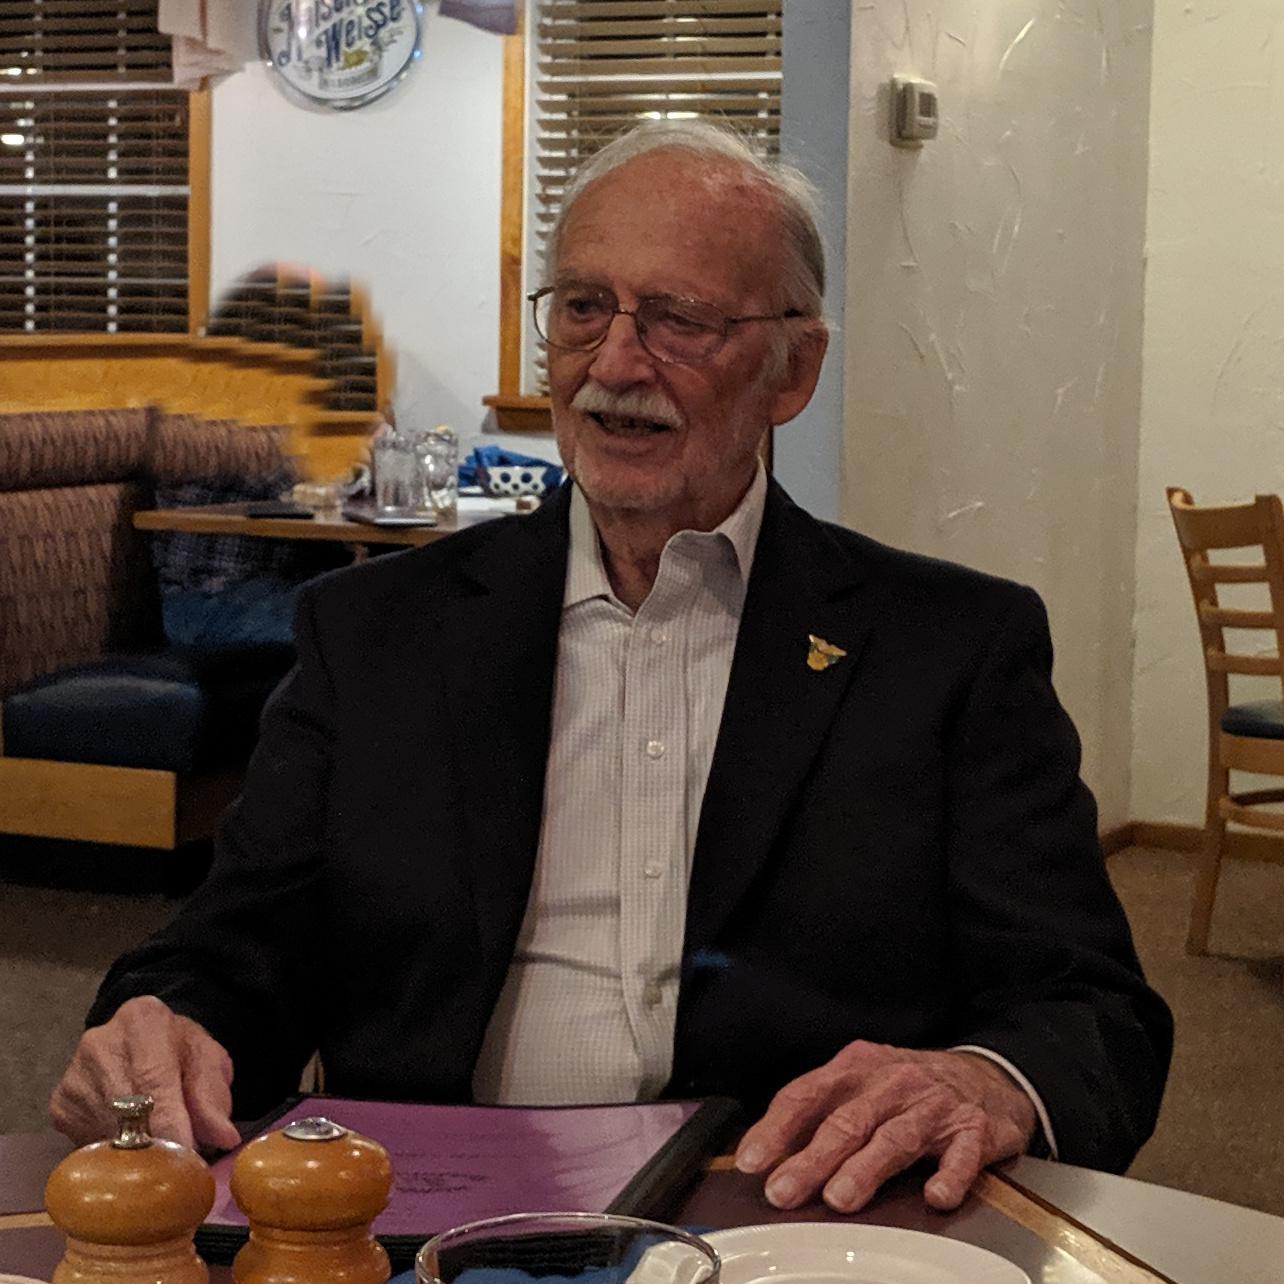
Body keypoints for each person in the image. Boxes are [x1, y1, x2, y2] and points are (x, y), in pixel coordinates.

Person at [49, 121, 1172, 1216]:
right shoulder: (375, 631)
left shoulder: (950, 649)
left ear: (793, 370)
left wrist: (980, 1080)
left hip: (787, 1215)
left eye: (680, 319)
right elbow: (232, 952)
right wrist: (164, 1025)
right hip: (428, 1223)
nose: (617, 366)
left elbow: (1090, 1013)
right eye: (584, 308)